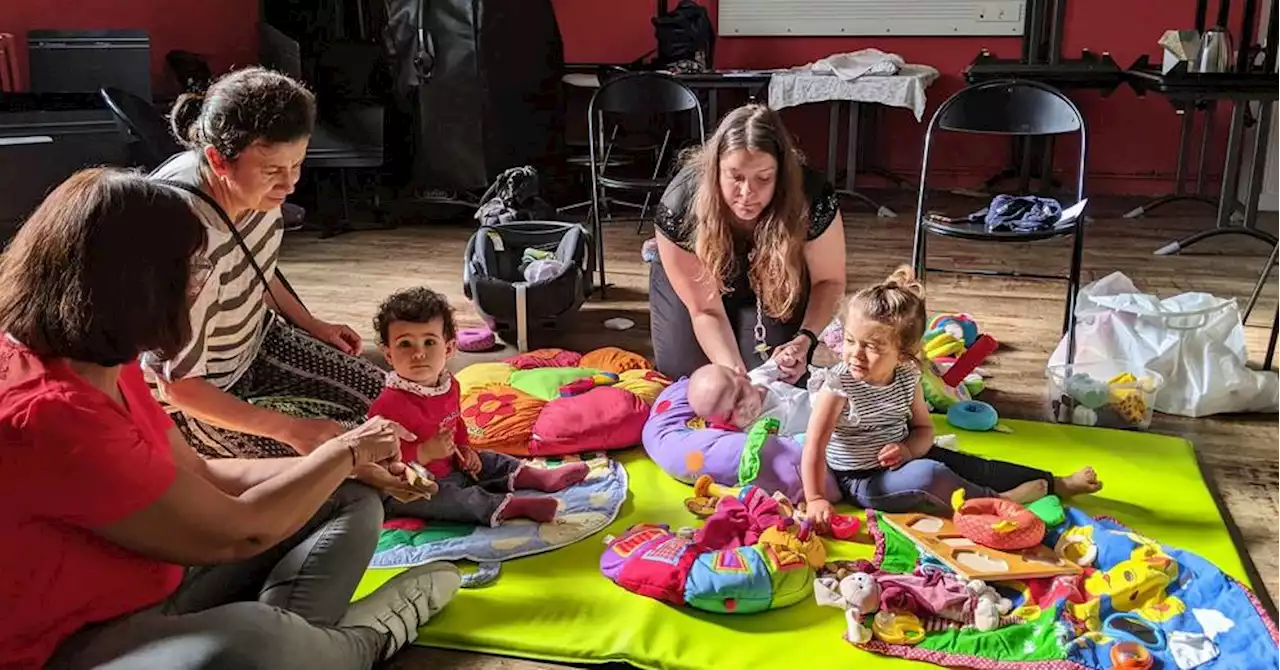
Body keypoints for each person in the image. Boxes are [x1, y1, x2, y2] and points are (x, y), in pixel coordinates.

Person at [0, 168, 459, 670]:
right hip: (66, 644)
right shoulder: (50, 414)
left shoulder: (104, 357)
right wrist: (345, 451)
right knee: (251, 643)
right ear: (135, 285)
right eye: (192, 271)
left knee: (346, 496)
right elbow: (240, 532)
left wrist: (343, 466)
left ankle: (304, 650)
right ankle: (363, 643)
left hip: (154, 585)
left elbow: (202, 471)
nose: (200, 285)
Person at [142, 66, 388, 467]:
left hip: (254, 343)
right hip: (194, 402)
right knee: (346, 454)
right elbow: (178, 389)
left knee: (398, 404)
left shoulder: (254, 193)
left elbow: (255, 264)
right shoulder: (185, 242)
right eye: (273, 170)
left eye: (297, 165)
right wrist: (288, 428)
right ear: (218, 160)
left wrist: (310, 323)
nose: (289, 184)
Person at [800, 267, 1103, 526]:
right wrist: (814, 498)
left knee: (976, 466)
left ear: (904, 355)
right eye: (851, 341)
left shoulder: (907, 377)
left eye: (873, 347)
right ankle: (996, 503)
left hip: (906, 458)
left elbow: (924, 431)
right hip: (863, 479)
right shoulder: (837, 385)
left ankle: (1056, 483)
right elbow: (815, 444)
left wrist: (907, 449)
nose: (856, 353)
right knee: (931, 475)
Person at [650, 103, 846, 383]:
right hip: (700, 284)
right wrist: (734, 372)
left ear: (781, 175)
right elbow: (705, 310)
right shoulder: (681, 203)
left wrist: (805, 340)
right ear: (715, 169)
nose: (747, 193)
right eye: (735, 177)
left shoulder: (811, 195)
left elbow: (829, 282)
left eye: (763, 178)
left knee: (779, 375)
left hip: (773, 277)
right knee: (694, 380)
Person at [366, 287, 591, 526]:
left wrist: (465, 448)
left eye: (429, 341)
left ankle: (540, 478)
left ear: (449, 348)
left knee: (492, 460)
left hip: (453, 465)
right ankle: (511, 507)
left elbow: (457, 421)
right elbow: (379, 462)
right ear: (388, 355)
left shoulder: (450, 385)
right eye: (405, 344)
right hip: (411, 486)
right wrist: (424, 453)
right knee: (454, 499)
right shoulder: (387, 405)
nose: (418, 353)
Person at [686, 359, 815, 436]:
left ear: (744, 376)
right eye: (730, 416)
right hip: (820, 435)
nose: (741, 410)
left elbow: (776, 364)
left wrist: (787, 358)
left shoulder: (757, 377)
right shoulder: (755, 433)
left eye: (739, 397)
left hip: (818, 400)